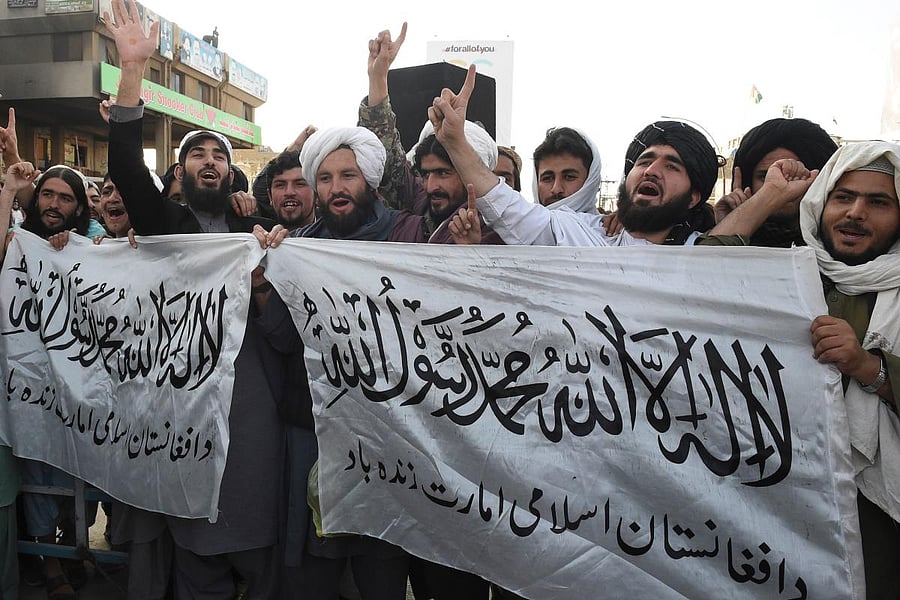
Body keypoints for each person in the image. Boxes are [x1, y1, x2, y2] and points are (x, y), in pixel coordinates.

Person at [103, 1, 291, 596]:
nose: (210, 162)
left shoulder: (254, 229)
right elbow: (129, 173)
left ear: (233, 176)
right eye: (197, 155)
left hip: (253, 401)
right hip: (183, 402)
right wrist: (134, 72)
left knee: (256, 518)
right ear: (179, 172)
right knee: (197, 541)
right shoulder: (162, 224)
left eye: (221, 157)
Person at [437, 69, 719, 248]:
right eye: (644, 161)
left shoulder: (708, 259)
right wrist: (456, 143)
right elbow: (510, 210)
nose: (651, 171)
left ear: (694, 196)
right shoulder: (586, 235)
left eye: (672, 166)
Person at [800, 142, 900, 599]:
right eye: (843, 197)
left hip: (874, 514)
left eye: (878, 202)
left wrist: (868, 367)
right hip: (790, 489)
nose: (856, 213)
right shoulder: (789, 269)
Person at [717, 117, 837, 247]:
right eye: (765, 177)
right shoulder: (721, 230)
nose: (779, 186)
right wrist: (733, 225)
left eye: (793, 176)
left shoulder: (844, 245)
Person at [532, 126, 601, 213]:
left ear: (590, 181)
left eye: (569, 177)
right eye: (548, 178)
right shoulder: (520, 225)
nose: (556, 189)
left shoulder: (603, 226)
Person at [264, 149, 316, 230]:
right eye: (280, 185)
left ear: (316, 193)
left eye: (299, 184)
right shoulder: (256, 237)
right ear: (270, 196)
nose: (289, 192)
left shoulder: (338, 237)